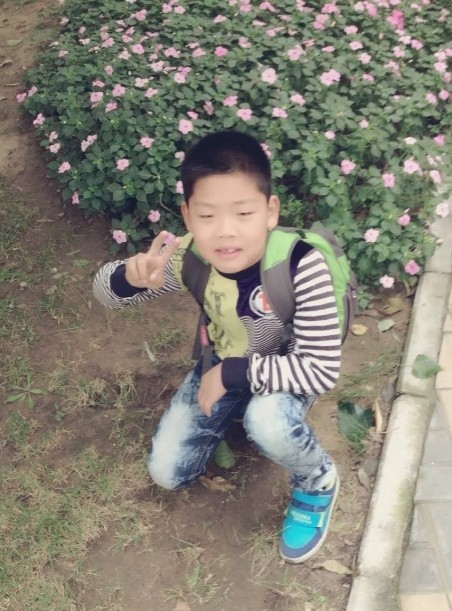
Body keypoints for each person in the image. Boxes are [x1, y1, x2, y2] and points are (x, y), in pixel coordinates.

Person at [93, 130, 342, 564]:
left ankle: (317, 480)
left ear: (270, 211)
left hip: (288, 368)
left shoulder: (301, 265)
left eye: (243, 213)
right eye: (207, 215)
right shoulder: (191, 256)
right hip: (223, 358)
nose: (226, 232)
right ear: (188, 217)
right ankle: (233, 413)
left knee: (267, 421)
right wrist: (129, 278)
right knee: (167, 473)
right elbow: (105, 296)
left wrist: (229, 375)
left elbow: (320, 369)